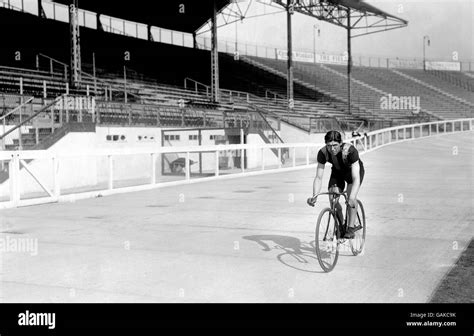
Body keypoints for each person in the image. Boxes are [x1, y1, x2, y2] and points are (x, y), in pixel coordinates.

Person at [307, 130, 365, 239]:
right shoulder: (323, 153)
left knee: (350, 197)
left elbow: (356, 178)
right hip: (338, 172)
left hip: (353, 173)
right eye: (329, 146)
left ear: (341, 143)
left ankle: (351, 228)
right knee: (332, 199)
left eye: (335, 145)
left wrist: (352, 196)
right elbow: (318, 177)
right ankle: (341, 224)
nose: (332, 149)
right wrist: (314, 195)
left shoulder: (351, 151)